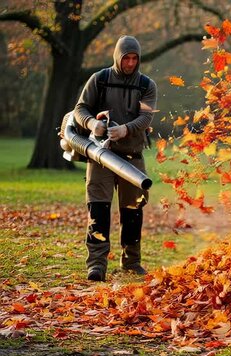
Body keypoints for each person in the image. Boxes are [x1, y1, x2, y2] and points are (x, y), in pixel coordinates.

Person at [74, 35, 157, 281]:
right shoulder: (99, 80)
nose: (130, 63)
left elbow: (146, 118)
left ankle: (131, 262)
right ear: (117, 57)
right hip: (101, 156)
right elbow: (80, 109)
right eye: (126, 58)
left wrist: (126, 130)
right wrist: (92, 124)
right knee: (98, 209)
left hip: (132, 155)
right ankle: (97, 264)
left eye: (134, 58)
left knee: (133, 210)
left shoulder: (146, 85)